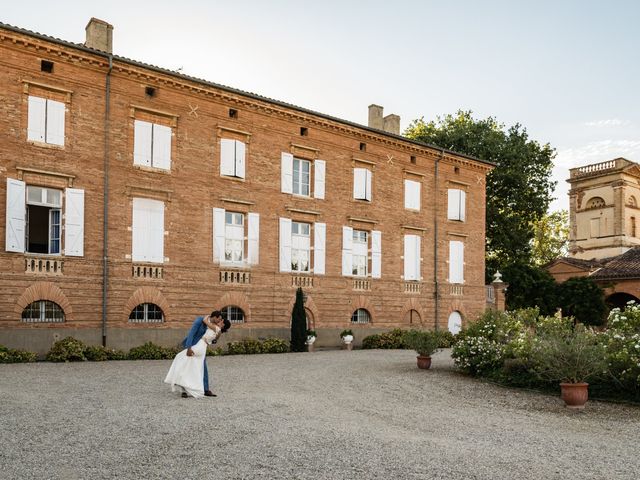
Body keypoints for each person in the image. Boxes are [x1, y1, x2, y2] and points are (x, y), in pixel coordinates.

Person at [164, 311, 230, 398]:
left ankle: (201, 389)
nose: (220, 321)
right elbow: (191, 333)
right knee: (192, 366)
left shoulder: (214, 326)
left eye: (221, 320)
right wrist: (189, 347)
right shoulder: (200, 321)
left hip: (200, 347)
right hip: (194, 345)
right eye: (219, 319)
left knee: (194, 366)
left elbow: (213, 339)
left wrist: (207, 319)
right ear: (215, 317)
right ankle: (187, 388)